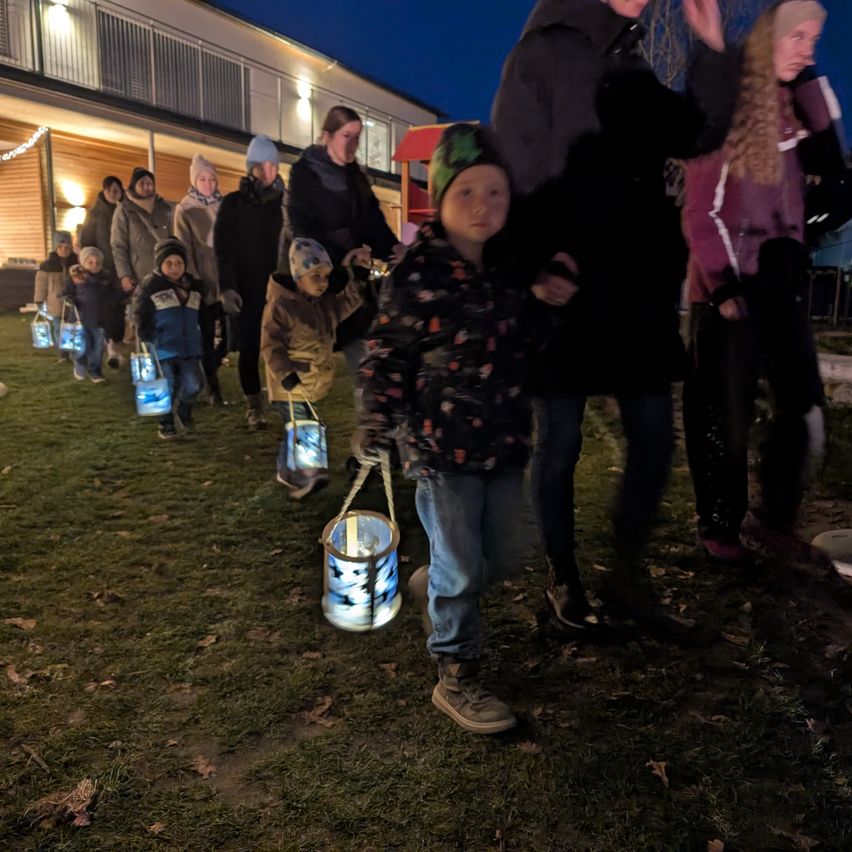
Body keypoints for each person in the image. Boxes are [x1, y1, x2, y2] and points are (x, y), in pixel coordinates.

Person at [491, 0, 738, 632]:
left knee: (655, 437)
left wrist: (710, 45)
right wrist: (529, 267)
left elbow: (699, 133)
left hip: (636, 296)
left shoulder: (631, 66)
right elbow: (511, 173)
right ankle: (564, 574)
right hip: (567, 295)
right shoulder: (541, 52)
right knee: (561, 443)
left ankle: (628, 575)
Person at [356, 124, 564, 735]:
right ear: (440, 199)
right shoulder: (416, 275)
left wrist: (549, 308)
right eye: (467, 192)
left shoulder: (508, 272)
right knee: (465, 565)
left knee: (501, 554)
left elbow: (528, 348)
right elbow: (386, 353)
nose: (482, 206)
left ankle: (433, 583)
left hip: (503, 443)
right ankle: (456, 673)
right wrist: (376, 417)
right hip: (440, 450)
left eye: (495, 193)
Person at [682, 0, 846, 564]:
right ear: (765, 40)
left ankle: (773, 515)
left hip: (780, 286)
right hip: (726, 289)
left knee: (802, 406)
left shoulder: (793, 111)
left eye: (815, 38)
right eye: (797, 37)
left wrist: (811, 77)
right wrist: (725, 287)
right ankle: (719, 524)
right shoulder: (732, 109)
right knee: (723, 415)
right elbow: (701, 211)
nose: (809, 48)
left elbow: (834, 157)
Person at [287, 106, 405, 377]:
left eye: (357, 137)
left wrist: (392, 247)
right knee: (313, 353)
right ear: (326, 136)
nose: (353, 144)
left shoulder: (356, 177)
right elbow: (302, 225)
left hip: (356, 275)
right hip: (322, 274)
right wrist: (340, 254)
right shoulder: (304, 173)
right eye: (347, 135)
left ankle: (370, 394)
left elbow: (372, 220)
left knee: (363, 342)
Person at [261, 238, 367, 499]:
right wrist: (285, 374)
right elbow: (270, 344)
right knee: (307, 425)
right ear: (299, 277)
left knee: (296, 426)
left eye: (326, 276)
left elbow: (346, 303)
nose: (323, 282)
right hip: (290, 383)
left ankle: (286, 471)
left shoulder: (324, 305)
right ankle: (309, 476)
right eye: (316, 276)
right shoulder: (280, 307)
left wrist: (360, 278)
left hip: (310, 382)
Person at [215, 135, 285, 429]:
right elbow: (223, 248)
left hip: (281, 290)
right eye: (261, 166)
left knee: (282, 349)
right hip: (247, 288)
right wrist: (227, 286)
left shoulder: (286, 204)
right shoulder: (233, 205)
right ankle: (253, 406)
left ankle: (285, 404)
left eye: (272, 166)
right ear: (251, 168)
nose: (267, 172)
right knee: (250, 350)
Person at [133, 237, 204, 440]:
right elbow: (140, 314)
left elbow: (202, 315)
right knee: (166, 385)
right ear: (159, 264)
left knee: (193, 385)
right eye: (169, 263)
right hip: (162, 345)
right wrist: (145, 334)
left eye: (179, 263)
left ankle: (183, 408)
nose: (175, 267)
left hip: (189, 346)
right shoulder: (151, 288)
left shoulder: (194, 288)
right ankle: (166, 423)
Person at [174, 154, 226, 406]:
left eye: (211, 179)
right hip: (203, 281)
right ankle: (213, 389)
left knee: (230, 337)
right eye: (202, 179)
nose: (208, 183)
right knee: (206, 336)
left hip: (225, 279)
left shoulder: (224, 205)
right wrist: (193, 279)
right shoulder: (185, 209)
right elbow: (183, 246)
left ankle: (211, 367)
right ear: (195, 180)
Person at [81, 176, 126, 368]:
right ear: (104, 191)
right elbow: (87, 241)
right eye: (110, 190)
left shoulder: (125, 210)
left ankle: (115, 345)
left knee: (120, 307)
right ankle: (106, 348)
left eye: (117, 190)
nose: (114, 193)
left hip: (122, 269)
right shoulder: (95, 215)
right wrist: (90, 264)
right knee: (104, 309)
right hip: (102, 269)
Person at [110, 167, 172, 299]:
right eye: (142, 183)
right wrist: (124, 275)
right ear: (134, 185)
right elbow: (118, 246)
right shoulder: (124, 210)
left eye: (149, 183)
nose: (146, 187)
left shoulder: (165, 208)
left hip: (165, 273)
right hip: (139, 275)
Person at [63, 247, 121, 383]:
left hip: (100, 319)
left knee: (98, 348)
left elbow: (114, 292)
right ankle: (79, 363)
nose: (94, 265)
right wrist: (70, 299)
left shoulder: (106, 277)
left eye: (97, 262)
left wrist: (116, 299)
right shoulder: (75, 277)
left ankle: (95, 370)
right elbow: (66, 292)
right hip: (81, 319)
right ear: (83, 263)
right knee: (82, 346)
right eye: (90, 262)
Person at [34, 231, 78, 361]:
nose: (64, 250)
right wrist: (39, 300)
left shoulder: (76, 263)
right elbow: (41, 284)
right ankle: (62, 352)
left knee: (72, 327)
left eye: (67, 247)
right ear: (55, 247)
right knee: (58, 328)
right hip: (55, 303)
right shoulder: (47, 266)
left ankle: (73, 350)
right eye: (60, 247)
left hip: (73, 302)